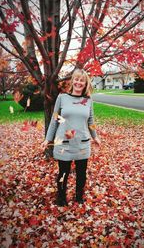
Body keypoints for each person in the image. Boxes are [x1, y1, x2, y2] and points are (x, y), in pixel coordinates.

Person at [41, 69, 101, 206]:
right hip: (64, 143)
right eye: (77, 79)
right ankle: (61, 198)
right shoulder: (62, 98)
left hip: (82, 143)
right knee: (63, 173)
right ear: (72, 81)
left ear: (85, 83)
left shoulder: (88, 100)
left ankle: (79, 197)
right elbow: (54, 120)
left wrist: (95, 136)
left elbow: (91, 121)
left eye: (82, 80)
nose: (79, 82)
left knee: (81, 174)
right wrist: (47, 139)